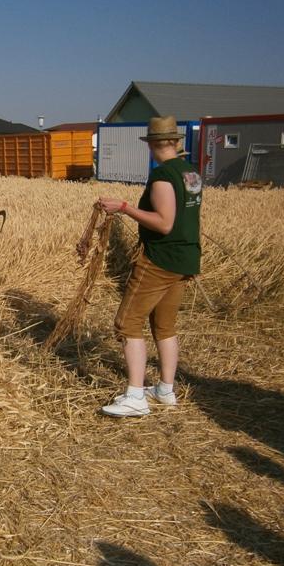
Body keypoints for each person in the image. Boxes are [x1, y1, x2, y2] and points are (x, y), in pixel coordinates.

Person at [96, 115, 202, 417]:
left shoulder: (163, 177)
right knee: (164, 325)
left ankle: (135, 396)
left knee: (127, 323)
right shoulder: (190, 174)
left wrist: (125, 208)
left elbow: (164, 223)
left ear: (154, 144)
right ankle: (165, 390)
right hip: (185, 258)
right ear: (176, 142)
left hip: (160, 260)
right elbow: (184, 218)